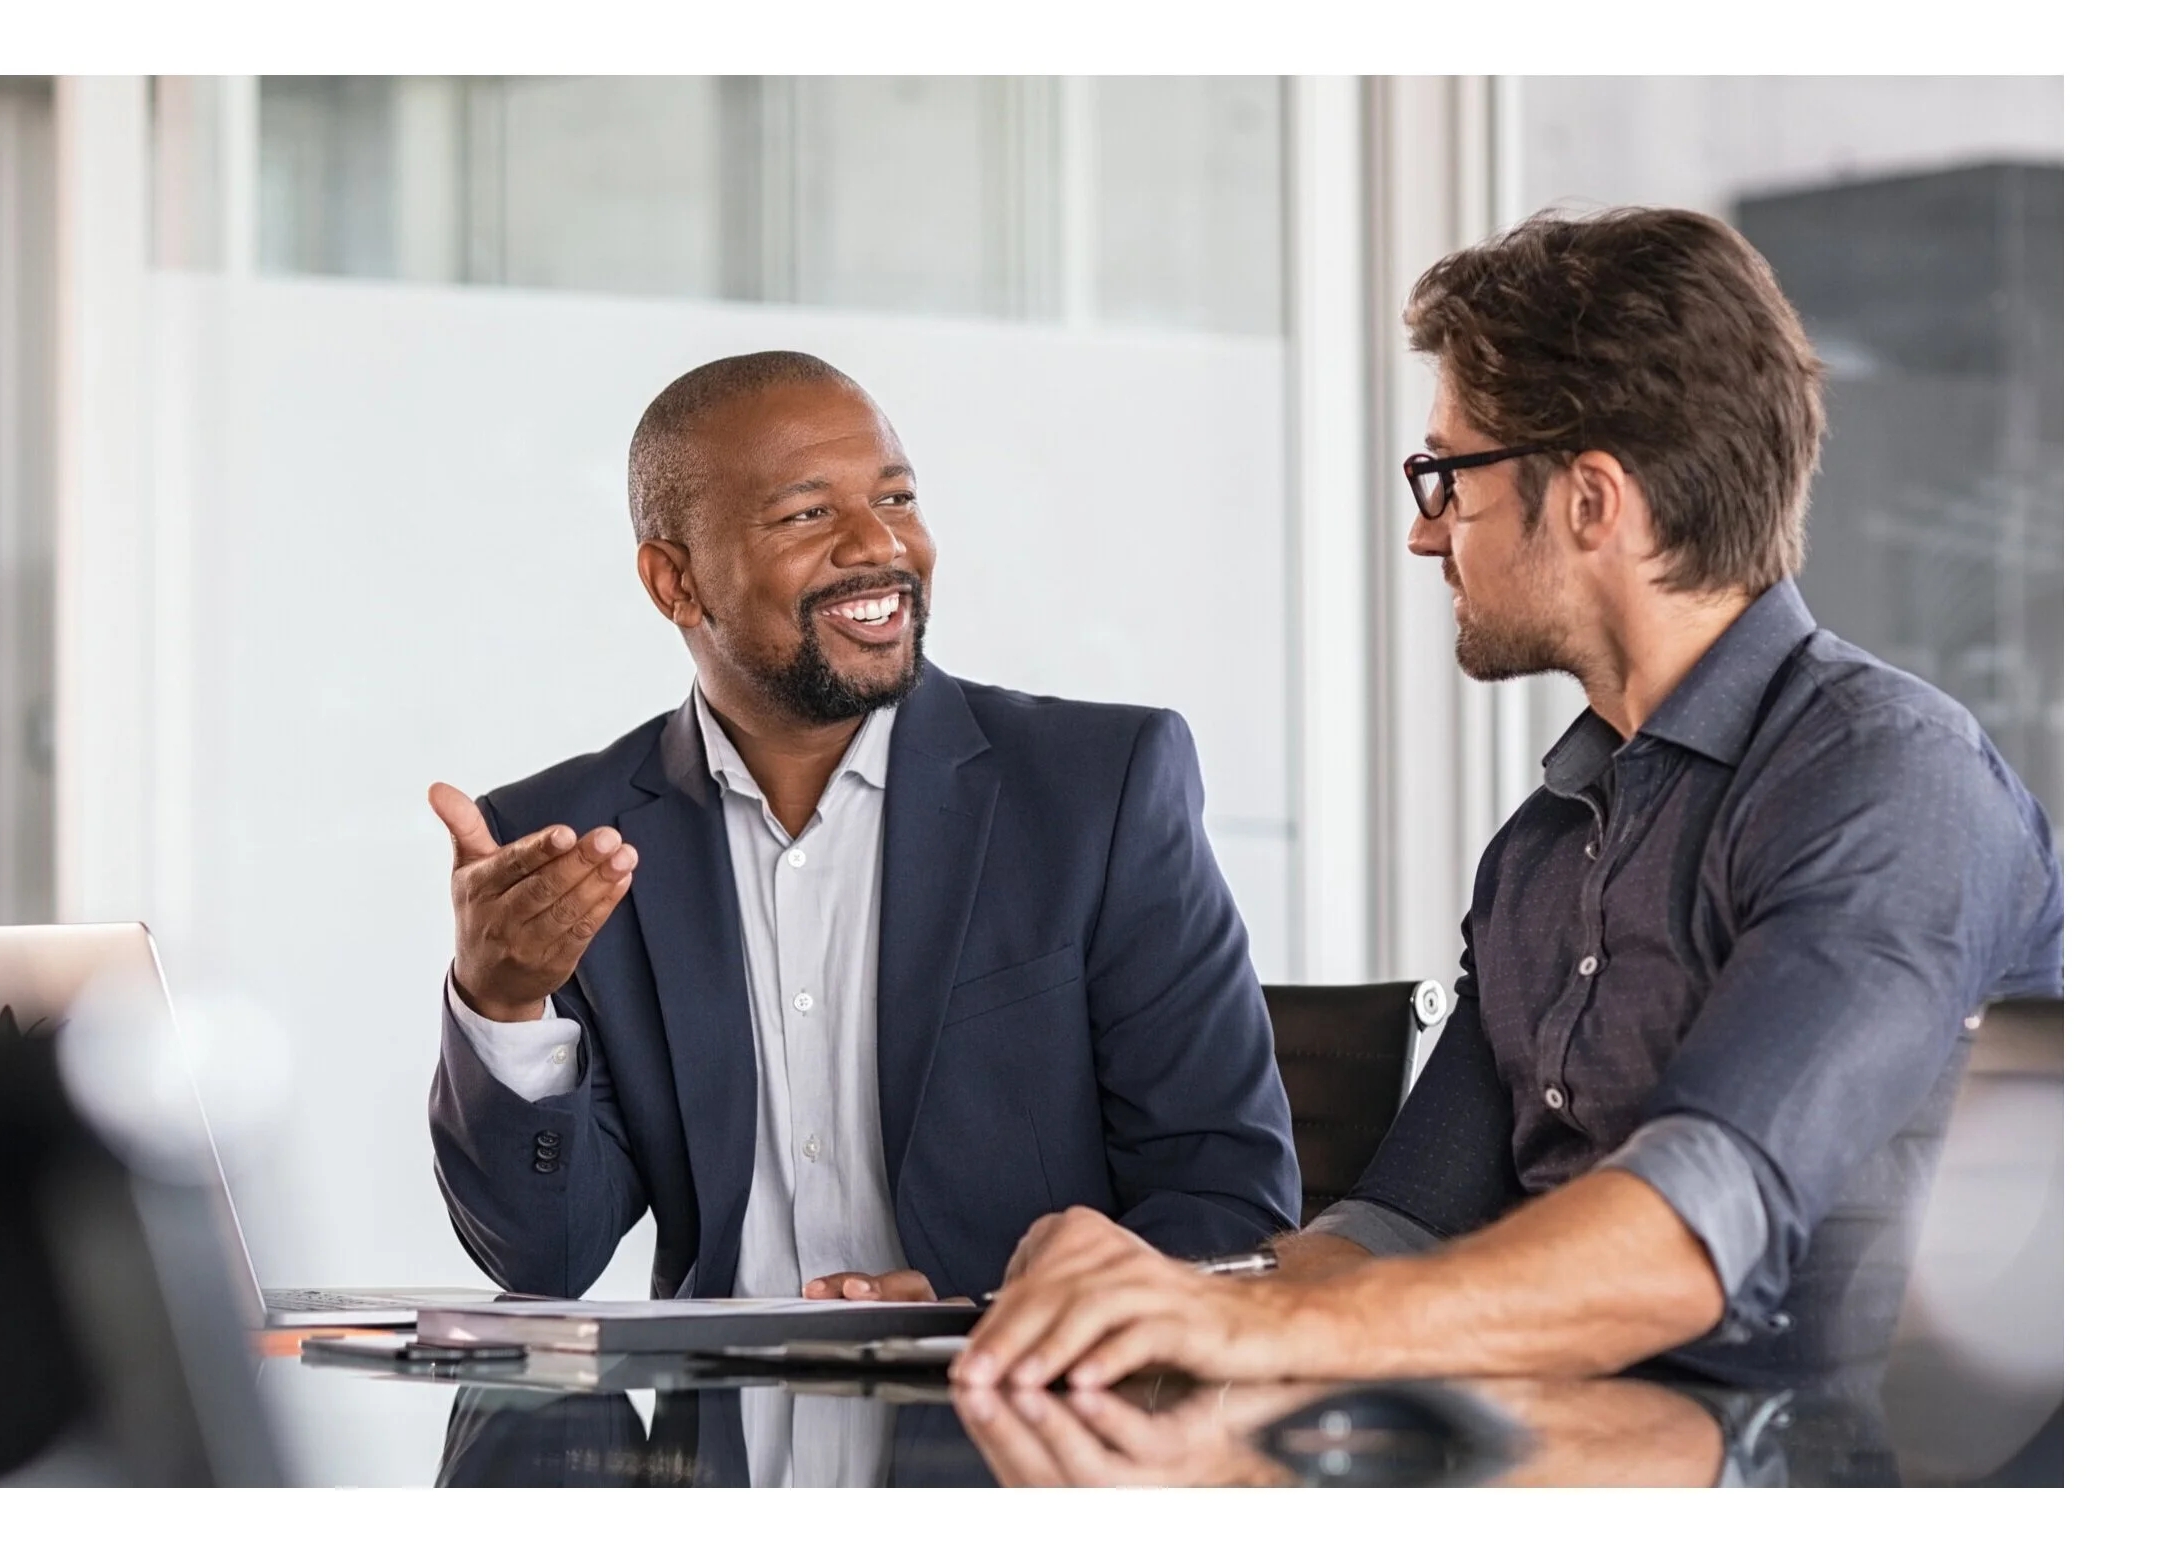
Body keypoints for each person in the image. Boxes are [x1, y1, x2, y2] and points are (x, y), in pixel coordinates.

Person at [956, 207, 2063, 1393]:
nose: (1423, 533)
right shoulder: (1542, 849)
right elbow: (1392, 1233)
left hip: (1842, 1460)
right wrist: (1144, 1300)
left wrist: (1260, 1333)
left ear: (1590, 500)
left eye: (1448, 477)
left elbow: (1692, 1233)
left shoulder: (1887, 781)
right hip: (1582, 1441)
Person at [426, 350, 1298, 1306]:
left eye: (896, 498)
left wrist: (985, 1312)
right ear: (675, 582)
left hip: (1010, 1386)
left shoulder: (1098, 791)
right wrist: (501, 1005)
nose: (878, 543)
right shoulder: (567, 844)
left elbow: (1228, 1203)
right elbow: (545, 1259)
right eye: (807, 513)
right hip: (717, 1400)